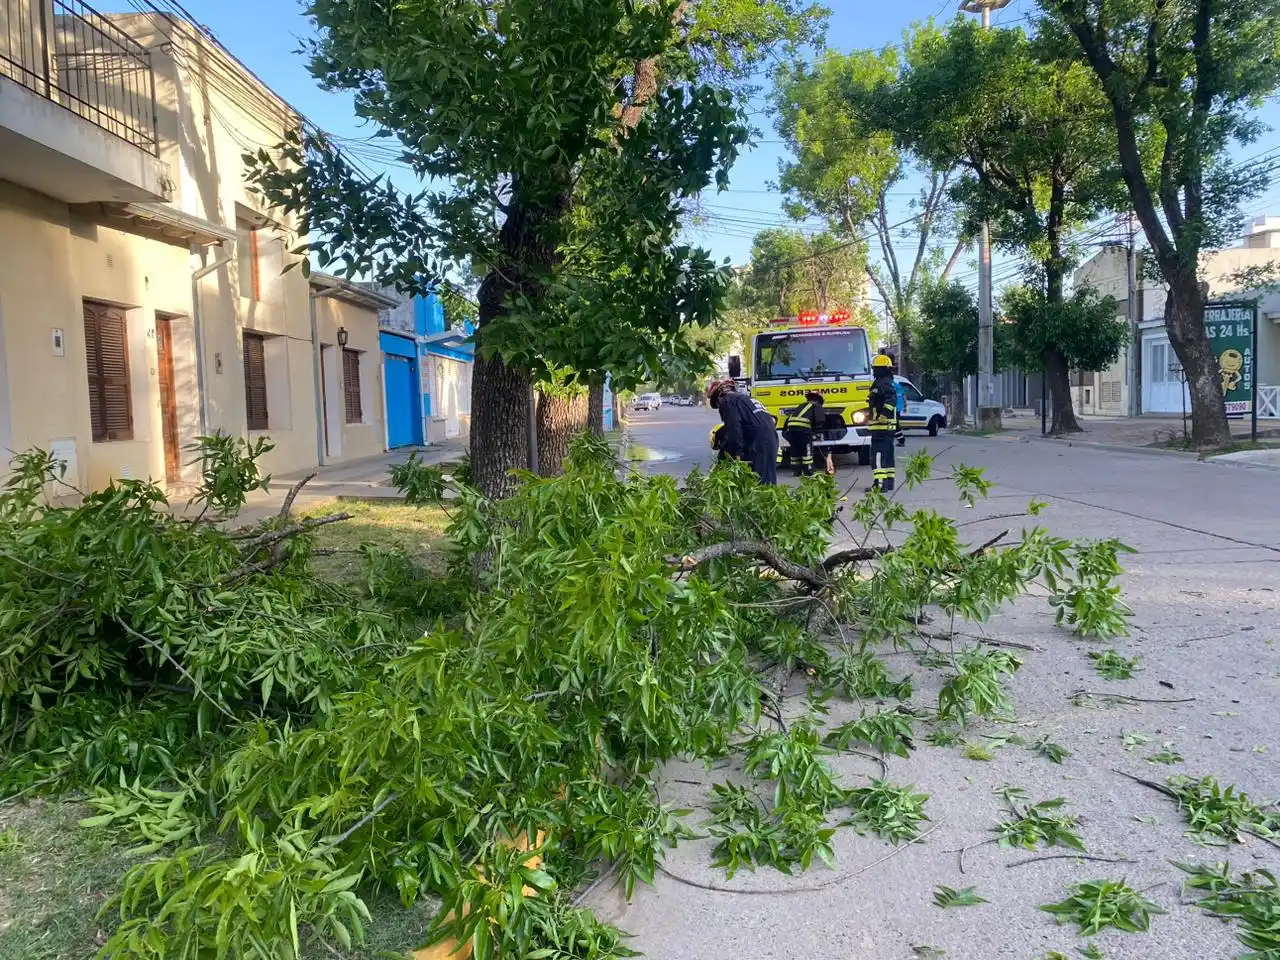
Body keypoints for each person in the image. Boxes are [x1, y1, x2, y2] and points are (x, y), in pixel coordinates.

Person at [706, 379, 779, 485]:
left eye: (717, 404)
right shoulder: (746, 399)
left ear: (719, 396)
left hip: (756, 442)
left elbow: (734, 431)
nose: (719, 407)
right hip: (771, 440)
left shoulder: (728, 401)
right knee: (767, 481)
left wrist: (734, 455)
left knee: (753, 482)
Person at [867, 354, 898, 492]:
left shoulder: (882, 384)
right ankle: (888, 483)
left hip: (881, 427)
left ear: (880, 369)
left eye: (875, 368)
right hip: (887, 428)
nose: (873, 371)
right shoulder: (886, 382)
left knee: (878, 455)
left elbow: (891, 399)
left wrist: (883, 415)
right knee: (887, 455)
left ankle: (879, 485)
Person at [779, 391, 824, 477]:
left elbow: (789, 419)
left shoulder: (801, 405)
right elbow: (819, 420)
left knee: (795, 450)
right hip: (804, 431)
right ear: (819, 399)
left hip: (791, 430)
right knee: (807, 451)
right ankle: (809, 471)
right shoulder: (816, 406)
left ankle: (797, 471)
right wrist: (816, 432)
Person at [880, 349, 906, 447]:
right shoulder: (897, 385)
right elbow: (904, 396)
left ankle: (901, 440)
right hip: (896, 408)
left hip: (893, 407)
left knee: (895, 425)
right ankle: (900, 439)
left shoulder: (891, 385)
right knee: (895, 424)